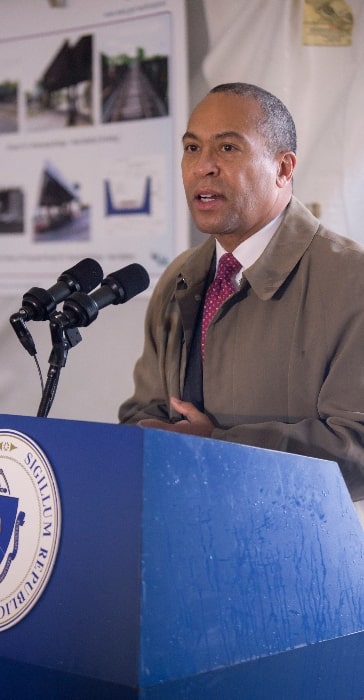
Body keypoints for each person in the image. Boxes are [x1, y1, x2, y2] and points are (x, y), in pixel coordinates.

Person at [119, 82, 364, 502]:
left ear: (284, 169)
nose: (203, 167)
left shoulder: (350, 280)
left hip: (299, 552)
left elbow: (356, 446)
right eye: (192, 148)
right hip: (184, 534)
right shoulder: (180, 276)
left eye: (228, 149)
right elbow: (145, 411)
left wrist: (216, 445)